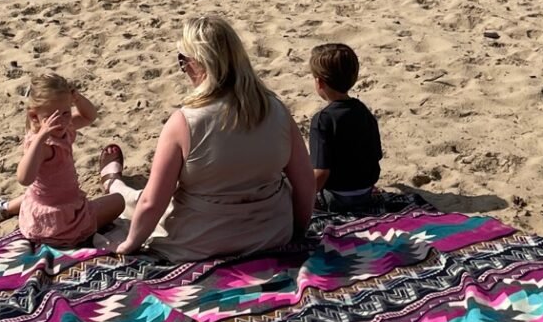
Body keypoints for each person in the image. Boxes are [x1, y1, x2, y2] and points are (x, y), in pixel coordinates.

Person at [100, 13, 313, 260]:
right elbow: (306, 183)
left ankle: (114, 185)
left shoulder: (184, 122)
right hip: (271, 234)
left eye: (183, 61)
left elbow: (153, 202)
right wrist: (297, 231)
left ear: (197, 63)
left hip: (202, 241)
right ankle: (115, 185)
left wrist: (130, 245)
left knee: (139, 202)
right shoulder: (276, 109)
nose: (183, 69)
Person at [0, 71, 126, 248]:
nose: (61, 121)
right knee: (118, 201)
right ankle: (7, 209)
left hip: (46, 203)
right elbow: (23, 178)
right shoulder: (43, 145)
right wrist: (40, 138)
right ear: (34, 116)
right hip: (59, 222)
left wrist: (77, 98)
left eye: (66, 113)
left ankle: (3, 209)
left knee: (37, 192)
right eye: (52, 117)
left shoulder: (63, 127)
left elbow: (89, 116)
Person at [307, 42, 383, 212]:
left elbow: (321, 172)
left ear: (319, 82)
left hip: (336, 197)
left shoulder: (322, 120)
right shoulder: (363, 111)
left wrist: (303, 198)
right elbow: (376, 155)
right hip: (366, 192)